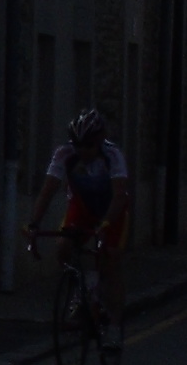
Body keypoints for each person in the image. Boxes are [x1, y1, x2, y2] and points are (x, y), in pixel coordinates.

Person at [26, 105, 131, 338]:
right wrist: (34, 224)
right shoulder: (64, 154)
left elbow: (120, 195)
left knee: (110, 260)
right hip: (82, 208)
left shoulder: (113, 155)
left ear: (100, 140)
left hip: (112, 210)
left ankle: (114, 327)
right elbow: (47, 191)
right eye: (77, 145)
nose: (82, 151)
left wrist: (105, 224)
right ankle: (82, 292)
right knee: (63, 248)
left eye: (88, 145)